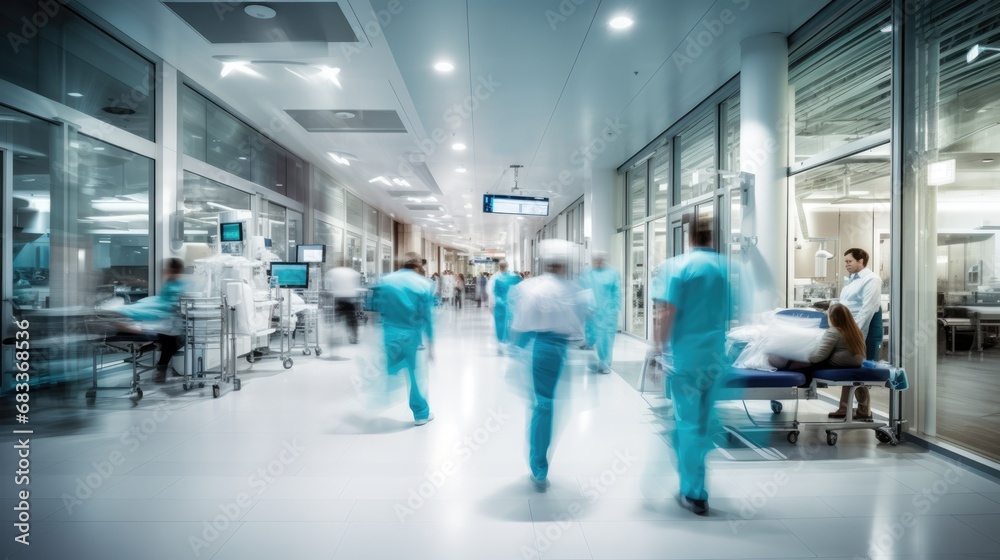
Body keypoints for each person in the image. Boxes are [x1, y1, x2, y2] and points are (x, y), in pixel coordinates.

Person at [652, 219, 729, 516]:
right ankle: (694, 475)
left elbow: (667, 312)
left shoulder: (678, 266)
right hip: (715, 356)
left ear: (689, 236)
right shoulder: (724, 268)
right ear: (711, 236)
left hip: (686, 358)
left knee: (686, 422)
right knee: (705, 422)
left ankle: (694, 492)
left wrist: (657, 349)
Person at [509, 240, 589, 492]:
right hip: (560, 350)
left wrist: (515, 350)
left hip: (539, 349)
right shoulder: (573, 290)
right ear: (564, 265)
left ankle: (539, 465)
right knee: (549, 404)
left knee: (542, 405)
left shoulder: (531, 288)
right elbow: (580, 324)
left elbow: (520, 324)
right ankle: (539, 462)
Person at [371, 252, 436, 426]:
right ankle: (421, 413)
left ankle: (379, 397)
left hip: (390, 334)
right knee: (416, 376)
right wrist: (431, 345)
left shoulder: (386, 280)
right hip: (411, 337)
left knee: (391, 369)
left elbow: (375, 308)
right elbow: (427, 317)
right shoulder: (424, 284)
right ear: (417, 267)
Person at [112, 258, 187, 383]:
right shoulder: (173, 286)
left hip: (162, 323)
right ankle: (160, 368)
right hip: (161, 323)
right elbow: (165, 305)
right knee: (173, 341)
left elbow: (165, 304)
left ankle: (160, 367)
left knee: (172, 340)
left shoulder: (173, 285)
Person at [831, 247, 883, 419]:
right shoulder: (852, 280)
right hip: (849, 328)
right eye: (845, 261)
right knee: (850, 367)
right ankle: (846, 408)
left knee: (860, 369)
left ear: (861, 261)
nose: (846, 264)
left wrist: (855, 332)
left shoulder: (871, 279)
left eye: (849, 261)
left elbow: (867, 309)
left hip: (863, 329)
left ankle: (862, 410)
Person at [770, 303, 866, 373]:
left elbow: (817, 358)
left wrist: (801, 353)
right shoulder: (856, 331)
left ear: (832, 318)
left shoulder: (834, 331)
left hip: (838, 364)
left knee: (789, 363)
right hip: (855, 363)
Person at [581, 252, 621, 374]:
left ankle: (605, 364)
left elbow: (617, 293)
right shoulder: (587, 273)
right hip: (591, 313)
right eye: (595, 260)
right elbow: (581, 291)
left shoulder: (613, 273)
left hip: (607, 314)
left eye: (600, 260)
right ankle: (593, 362)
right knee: (590, 338)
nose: (597, 263)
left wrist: (614, 310)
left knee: (605, 340)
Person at [325, 261, 362, 344]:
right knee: (352, 319)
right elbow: (357, 285)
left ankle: (336, 336)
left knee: (337, 317)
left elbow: (329, 285)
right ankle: (354, 337)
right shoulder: (352, 272)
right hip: (350, 298)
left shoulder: (333, 271)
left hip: (339, 297)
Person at [490, 261, 522, 352]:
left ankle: (502, 341)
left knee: (501, 323)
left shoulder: (497, 279)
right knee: (509, 322)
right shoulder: (514, 277)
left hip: (501, 305)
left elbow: (495, 292)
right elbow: (520, 288)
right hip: (509, 304)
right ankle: (509, 341)